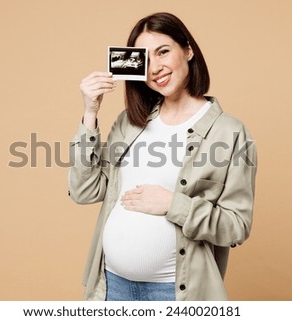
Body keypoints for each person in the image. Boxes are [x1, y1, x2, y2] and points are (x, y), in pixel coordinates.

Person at [68, 12, 257, 301]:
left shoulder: (229, 133)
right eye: (146, 58)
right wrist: (90, 115)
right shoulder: (129, 122)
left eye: (164, 52)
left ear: (188, 50)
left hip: (175, 294)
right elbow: (84, 191)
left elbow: (236, 227)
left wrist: (172, 204)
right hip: (110, 286)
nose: (156, 67)